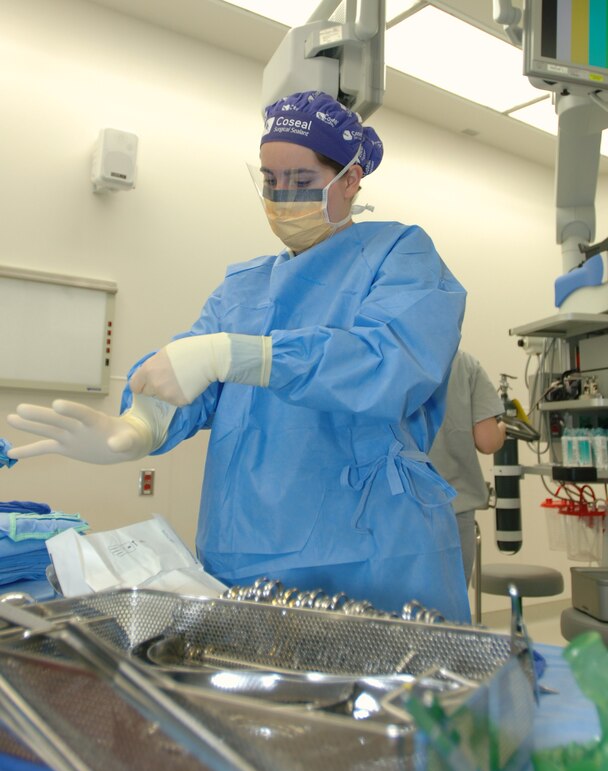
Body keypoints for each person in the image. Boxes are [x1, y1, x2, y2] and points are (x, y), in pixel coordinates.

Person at [7, 90, 470, 622]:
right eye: (271, 182)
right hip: (243, 541)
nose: (282, 197)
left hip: (366, 541)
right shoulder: (244, 286)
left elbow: (389, 363)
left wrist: (241, 355)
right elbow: (191, 377)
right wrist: (139, 427)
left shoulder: (399, 253)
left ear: (349, 179)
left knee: (395, 693)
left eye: (300, 181)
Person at [429, 350, 506, 587]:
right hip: (454, 506)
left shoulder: (387, 353)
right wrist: (502, 428)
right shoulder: (463, 363)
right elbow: (488, 441)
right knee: (450, 609)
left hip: (394, 510)